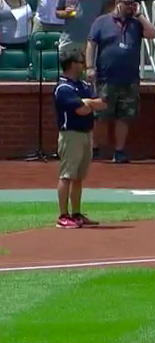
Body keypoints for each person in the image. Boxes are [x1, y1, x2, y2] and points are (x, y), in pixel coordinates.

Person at [86, 0, 155, 163]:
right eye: (128, 4)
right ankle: (95, 147)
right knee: (101, 115)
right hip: (106, 77)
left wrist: (139, 15)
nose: (131, 7)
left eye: (133, 4)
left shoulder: (135, 24)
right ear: (118, 4)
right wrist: (89, 67)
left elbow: (152, 33)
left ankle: (119, 150)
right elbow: (91, 43)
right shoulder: (102, 22)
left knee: (125, 116)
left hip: (129, 78)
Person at [53, 47, 105, 228]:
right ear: (71, 64)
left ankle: (76, 213)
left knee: (78, 177)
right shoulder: (63, 88)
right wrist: (88, 103)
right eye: (80, 62)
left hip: (86, 134)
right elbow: (81, 110)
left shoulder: (83, 86)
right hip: (71, 135)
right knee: (67, 175)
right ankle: (63, 215)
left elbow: (100, 104)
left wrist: (87, 102)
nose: (83, 65)